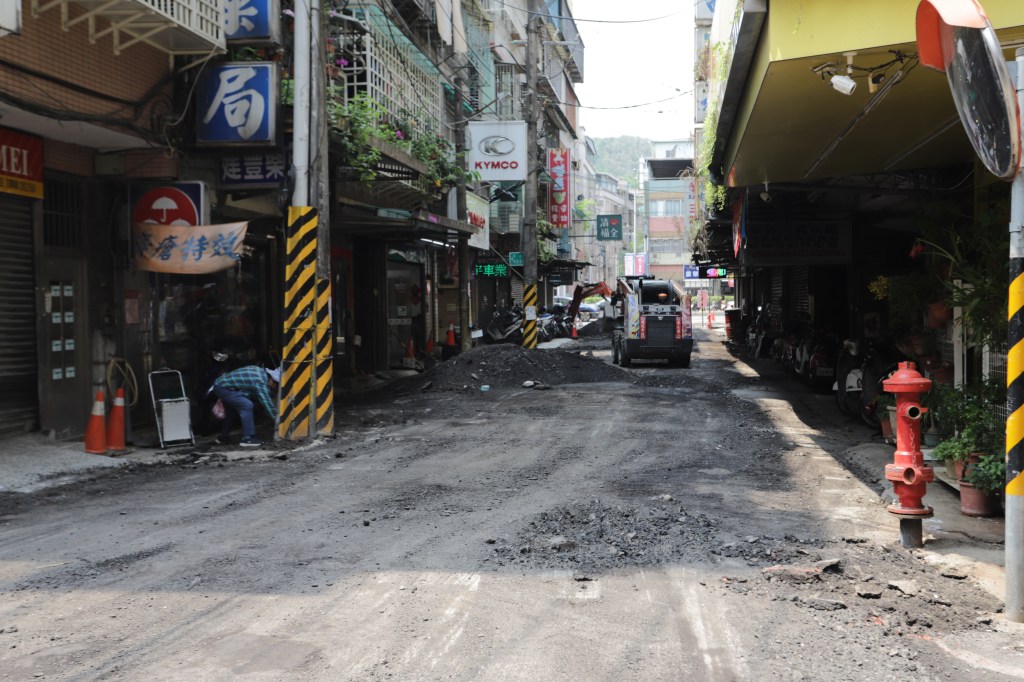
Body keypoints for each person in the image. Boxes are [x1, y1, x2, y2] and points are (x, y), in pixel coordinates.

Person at [212, 365, 280, 447]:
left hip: (221, 385)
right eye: (275, 385)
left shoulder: (259, 371)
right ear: (271, 380)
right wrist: (278, 420)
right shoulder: (261, 382)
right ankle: (247, 439)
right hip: (224, 388)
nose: (273, 387)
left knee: (231, 412)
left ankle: (222, 437)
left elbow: (246, 390)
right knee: (247, 405)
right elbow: (266, 402)